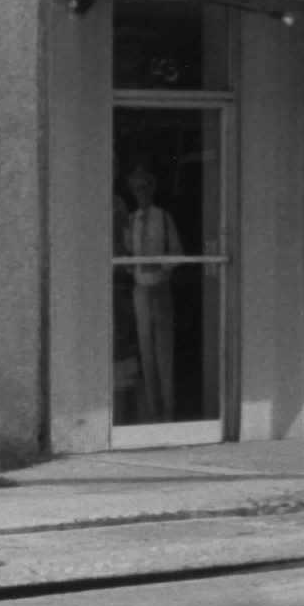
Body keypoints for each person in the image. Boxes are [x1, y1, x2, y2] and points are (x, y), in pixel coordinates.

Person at [115, 161, 182, 421]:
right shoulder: (131, 220)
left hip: (160, 287)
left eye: (144, 187)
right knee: (145, 351)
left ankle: (169, 410)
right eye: (136, 188)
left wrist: (163, 267)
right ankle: (153, 412)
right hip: (140, 289)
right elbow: (127, 253)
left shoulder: (163, 218)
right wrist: (132, 266)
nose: (140, 193)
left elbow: (177, 253)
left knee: (164, 350)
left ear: (152, 189)